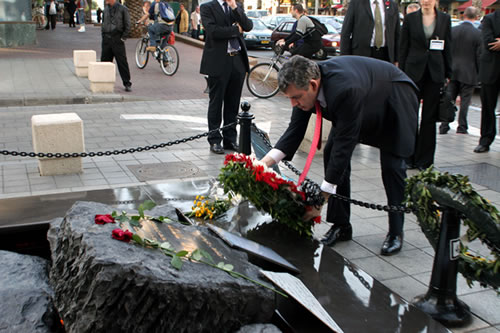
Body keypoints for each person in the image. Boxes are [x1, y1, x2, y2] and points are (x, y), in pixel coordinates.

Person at [261, 55, 418, 255]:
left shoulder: (344, 89)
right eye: (289, 98)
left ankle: (396, 232)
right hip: (361, 100)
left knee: (392, 167)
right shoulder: (303, 87)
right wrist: (261, 164)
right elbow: (294, 131)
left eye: (296, 98)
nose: (293, 104)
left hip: (394, 99)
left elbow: (344, 148)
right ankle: (341, 225)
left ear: (313, 85)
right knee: (330, 152)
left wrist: (319, 201)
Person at [399, 0, 452, 169]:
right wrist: (402, 72)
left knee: (429, 118)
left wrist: (449, 73)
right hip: (413, 72)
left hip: (435, 72)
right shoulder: (410, 19)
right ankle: (408, 157)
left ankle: (425, 161)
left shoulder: (444, 19)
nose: (426, 1)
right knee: (410, 116)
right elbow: (403, 47)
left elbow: (448, 46)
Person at [200, 0, 253, 154]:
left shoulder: (236, 6)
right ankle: (215, 140)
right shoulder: (207, 7)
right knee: (216, 102)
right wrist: (236, 30)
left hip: (237, 61)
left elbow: (248, 26)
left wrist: (235, 8)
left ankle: (230, 139)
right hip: (218, 62)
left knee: (233, 103)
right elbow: (213, 31)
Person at [439, 7, 481, 135]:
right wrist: (478, 73)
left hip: (453, 69)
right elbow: (479, 55)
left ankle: (444, 125)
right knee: (465, 101)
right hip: (469, 71)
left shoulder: (453, 31)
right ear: (476, 17)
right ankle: (462, 126)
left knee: (449, 97)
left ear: (463, 16)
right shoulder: (477, 34)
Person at [474, 10, 500, 153]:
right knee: (488, 108)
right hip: (490, 70)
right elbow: (489, 43)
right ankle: (485, 140)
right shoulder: (490, 19)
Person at [101, 0, 132, 92]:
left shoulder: (123, 9)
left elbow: (128, 25)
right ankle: (104, 82)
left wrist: (123, 38)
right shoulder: (105, 10)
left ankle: (127, 83)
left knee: (122, 62)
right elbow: (103, 23)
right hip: (106, 39)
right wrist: (103, 35)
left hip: (117, 39)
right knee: (104, 62)